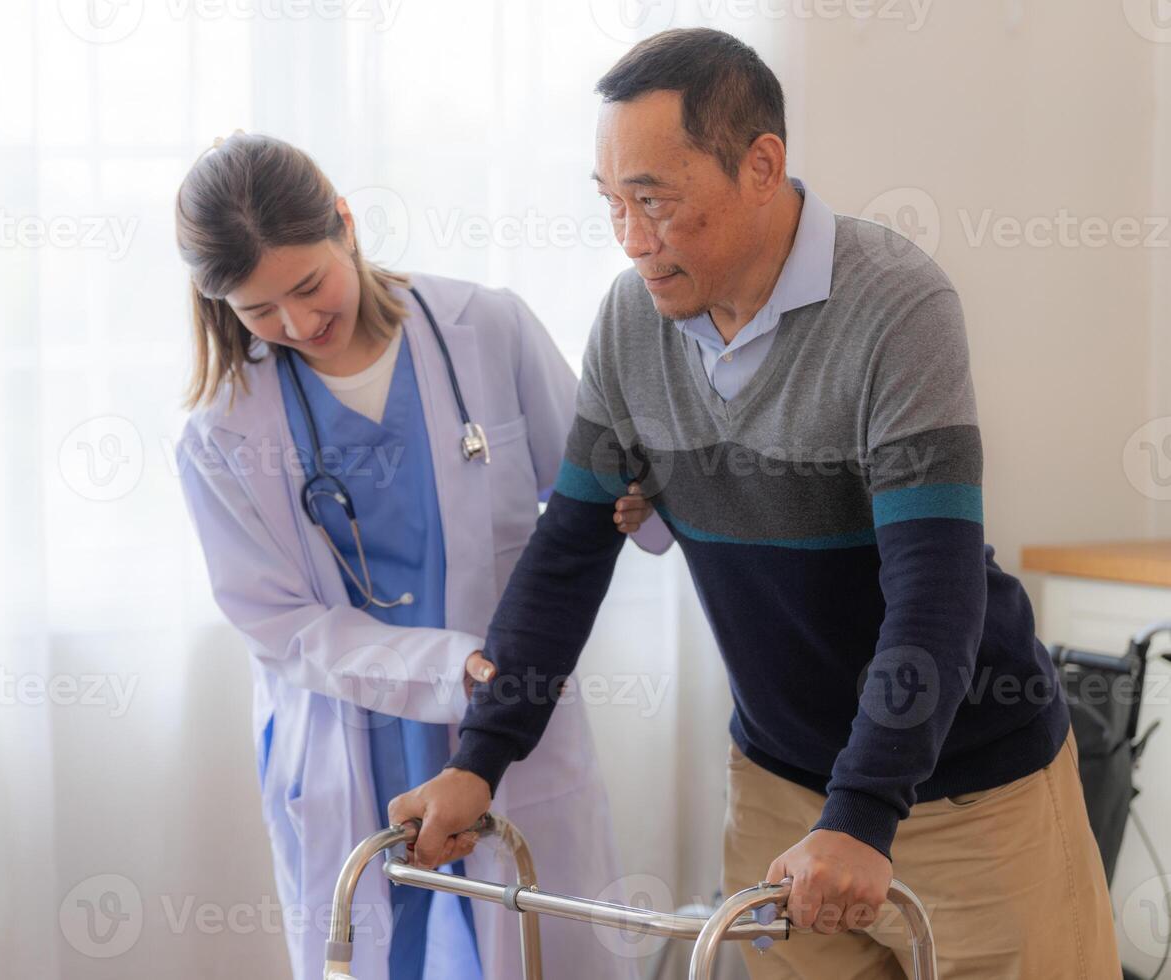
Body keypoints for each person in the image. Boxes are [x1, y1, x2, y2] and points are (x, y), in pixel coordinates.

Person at [391, 28, 1121, 979]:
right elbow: (567, 553)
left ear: (762, 166)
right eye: (613, 203)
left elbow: (934, 593)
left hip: (970, 799)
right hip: (779, 793)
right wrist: (478, 759)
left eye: (654, 200)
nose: (633, 239)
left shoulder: (895, 308)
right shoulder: (630, 321)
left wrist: (862, 812)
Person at [173, 132, 663, 980]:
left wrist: (640, 496)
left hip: (506, 716)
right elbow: (281, 625)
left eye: (307, 285)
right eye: (259, 311)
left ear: (346, 224)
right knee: (370, 951)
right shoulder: (221, 431)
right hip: (347, 732)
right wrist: (450, 664)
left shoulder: (487, 327)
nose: (298, 324)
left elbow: (596, 486)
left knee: (540, 945)